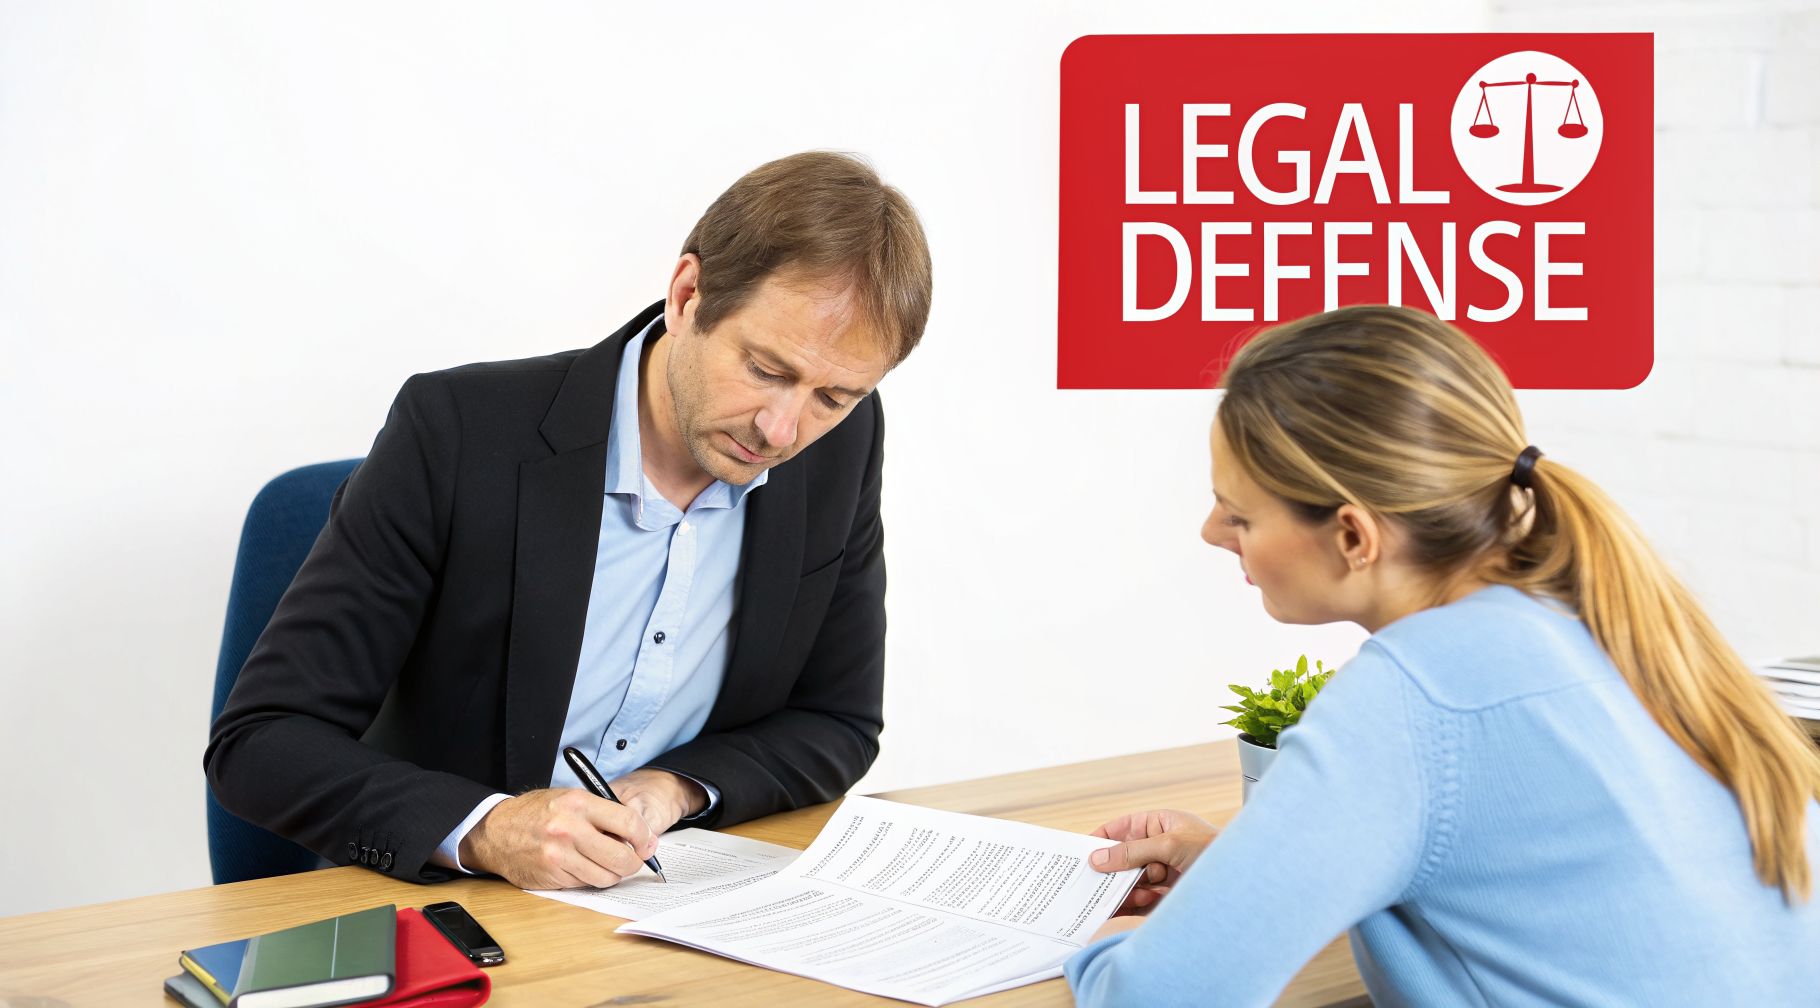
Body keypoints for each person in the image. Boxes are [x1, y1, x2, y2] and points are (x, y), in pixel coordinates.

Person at [205, 151, 932, 890]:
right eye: (766, 370)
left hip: (662, 894)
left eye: (832, 398)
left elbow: (837, 721)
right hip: (453, 901)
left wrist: (673, 788)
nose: (781, 430)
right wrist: (487, 829)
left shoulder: (842, 447)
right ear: (688, 296)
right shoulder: (456, 432)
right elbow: (260, 741)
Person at [1067, 306, 1820, 1005]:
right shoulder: (1609, 621)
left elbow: (1155, 997)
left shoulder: (1410, 697)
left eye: (1239, 515)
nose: (1210, 533)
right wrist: (1243, 874)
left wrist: (1075, 938)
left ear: (1354, 536)